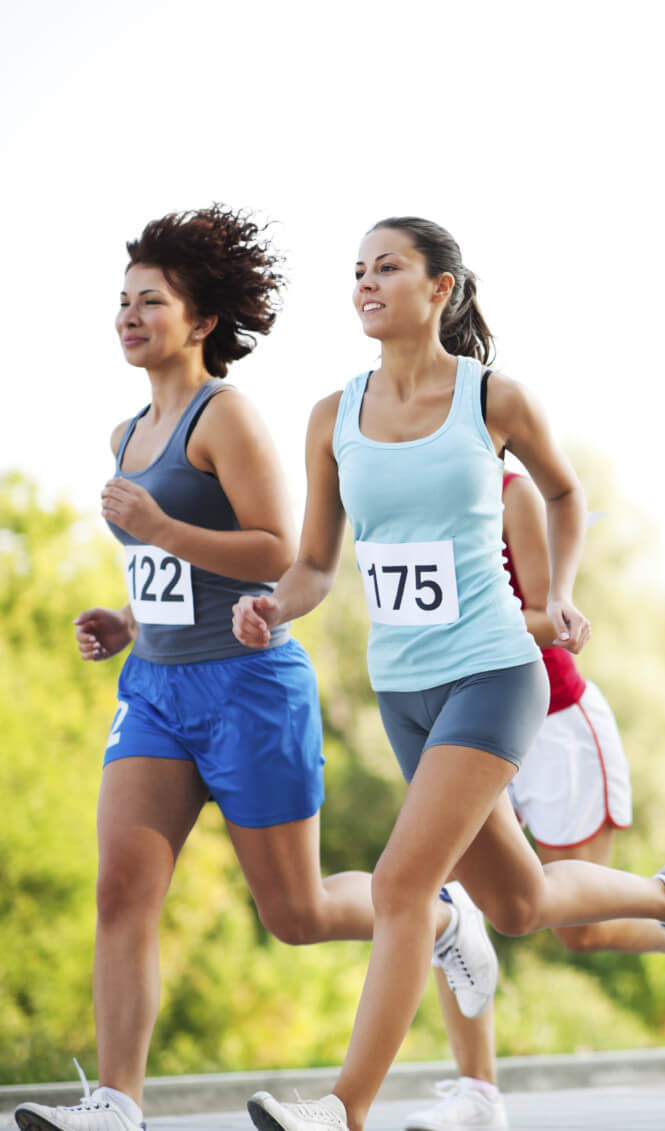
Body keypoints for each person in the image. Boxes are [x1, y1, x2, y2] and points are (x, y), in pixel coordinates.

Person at [233, 217, 665, 1131]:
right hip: (403, 690)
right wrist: (274, 604)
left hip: (496, 671)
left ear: (441, 289)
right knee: (520, 901)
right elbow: (314, 563)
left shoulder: (492, 400)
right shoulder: (331, 416)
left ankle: (344, 1107)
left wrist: (563, 589)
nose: (367, 283)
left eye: (388, 267)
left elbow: (567, 491)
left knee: (400, 885)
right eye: (358, 271)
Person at [10, 208, 475, 1131]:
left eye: (152, 301)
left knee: (295, 912)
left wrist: (158, 528)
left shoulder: (231, 417)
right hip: (157, 689)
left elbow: (276, 553)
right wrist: (131, 618)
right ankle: (115, 1101)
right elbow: (173, 571)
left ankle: (445, 917)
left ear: (202, 319)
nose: (129, 316)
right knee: (122, 888)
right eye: (123, 301)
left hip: (249, 686)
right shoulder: (126, 431)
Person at [404, 471, 665, 1131]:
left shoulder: (510, 491)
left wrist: (450, 623)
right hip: (460, 724)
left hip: (555, 724)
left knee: (577, 931)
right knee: (445, 893)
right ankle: (478, 1092)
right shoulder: (405, 490)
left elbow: (550, 621)